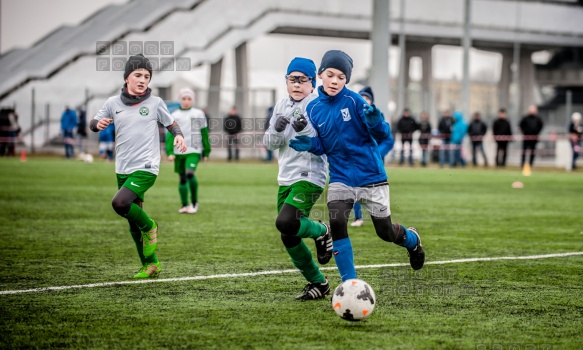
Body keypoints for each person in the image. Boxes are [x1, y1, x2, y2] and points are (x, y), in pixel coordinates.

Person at [289, 50, 425, 284]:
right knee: (337, 222)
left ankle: (412, 240)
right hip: (341, 177)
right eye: (330, 74)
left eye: (341, 77)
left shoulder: (355, 101)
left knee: (386, 233)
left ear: (347, 81)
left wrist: (376, 122)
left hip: (371, 176)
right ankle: (349, 283)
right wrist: (311, 144)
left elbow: (381, 133)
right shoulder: (313, 109)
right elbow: (325, 144)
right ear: (320, 75)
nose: (335, 81)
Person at [89, 54, 187, 279]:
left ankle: (151, 226)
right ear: (127, 78)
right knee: (133, 220)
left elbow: (171, 123)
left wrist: (179, 136)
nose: (143, 80)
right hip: (123, 167)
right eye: (138, 75)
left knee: (119, 203)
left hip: (147, 166)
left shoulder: (155, 103)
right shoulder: (112, 103)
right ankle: (150, 264)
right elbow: (93, 123)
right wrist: (97, 124)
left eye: (147, 76)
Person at [263, 57, 333, 300]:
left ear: (313, 84)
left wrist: (304, 128)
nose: (296, 84)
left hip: (310, 176)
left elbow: (322, 142)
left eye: (302, 80)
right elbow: (270, 144)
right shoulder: (281, 105)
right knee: (288, 234)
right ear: (286, 81)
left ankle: (322, 230)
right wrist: (277, 129)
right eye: (292, 79)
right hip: (286, 177)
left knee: (285, 222)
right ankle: (319, 283)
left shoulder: (318, 105)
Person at [351, 86, 394, 227]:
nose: (364, 100)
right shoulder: (352, 116)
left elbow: (388, 139)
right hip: (356, 161)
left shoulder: (377, 115)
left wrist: (376, 153)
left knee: (375, 192)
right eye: (361, 97)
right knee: (354, 188)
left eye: (367, 98)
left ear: (372, 101)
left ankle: (384, 218)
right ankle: (358, 218)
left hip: (374, 163)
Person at [166, 88, 211, 214]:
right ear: (180, 100)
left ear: (193, 100)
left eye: (189, 99)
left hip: (194, 150)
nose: (186, 101)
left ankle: (195, 202)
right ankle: (185, 205)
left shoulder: (198, 113)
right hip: (178, 151)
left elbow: (204, 133)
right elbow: (170, 135)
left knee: (189, 173)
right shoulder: (174, 115)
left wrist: (206, 151)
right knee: (182, 178)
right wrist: (169, 152)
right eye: (184, 99)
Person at [519, 104, 544, 174]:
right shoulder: (525, 118)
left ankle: (530, 165)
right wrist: (524, 132)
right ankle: (522, 165)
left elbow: (541, 126)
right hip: (526, 138)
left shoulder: (538, 119)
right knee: (524, 152)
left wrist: (537, 133)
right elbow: (521, 125)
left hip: (534, 138)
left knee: (532, 153)